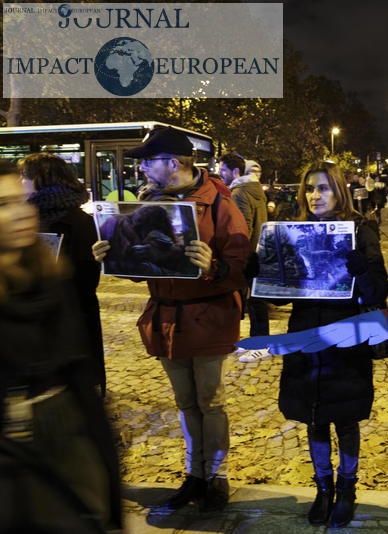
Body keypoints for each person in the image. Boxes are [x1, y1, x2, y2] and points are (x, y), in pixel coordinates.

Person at [91, 127, 251, 512]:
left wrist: (215, 267)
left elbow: (242, 264)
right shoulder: (147, 205)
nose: (142, 168)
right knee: (185, 402)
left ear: (174, 162)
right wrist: (113, 256)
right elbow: (142, 268)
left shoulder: (219, 203)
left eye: (148, 160)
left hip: (209, 315)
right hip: (167, 318)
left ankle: (217, 477)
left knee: (210, 401)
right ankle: (194, 475)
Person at [0, 160, 122, 532]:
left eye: (23, 199)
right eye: (5, 205)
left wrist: (110, 486)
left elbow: (80, 382)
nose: (24, 211)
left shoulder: (50, 276)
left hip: (65, 444)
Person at [278, 161, 388, 528]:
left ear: (339, 190)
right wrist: (262, 271)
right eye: (310, 188)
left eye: (323, 188)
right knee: (314, 417)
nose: (315, 195)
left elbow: (379, 289)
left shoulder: (361, 230)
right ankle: (323, 489)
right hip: (307, 336)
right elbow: (280, 297)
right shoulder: (295, 230)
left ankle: (347, 489)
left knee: (345, 418)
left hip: (346, 340)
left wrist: (360, 268)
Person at [20, 152, 106, 397]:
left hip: (71, 319)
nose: (20, 184)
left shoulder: (79, 223)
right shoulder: (27, 218)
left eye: (24, 177)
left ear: (42, 179)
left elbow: (87, 280)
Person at [219, 153, 271, 364]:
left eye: (223, 170)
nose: (220, 173)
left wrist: (239, 258)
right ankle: (257, 342)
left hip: (249, 256)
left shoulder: (239, 193)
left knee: (255, 301)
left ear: (235, 172)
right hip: (258, 252)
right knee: (255, 299)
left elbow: (243, 228)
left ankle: (261, 345)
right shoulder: (255, 189)